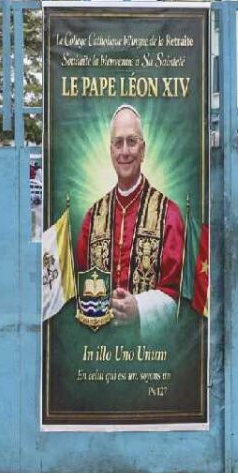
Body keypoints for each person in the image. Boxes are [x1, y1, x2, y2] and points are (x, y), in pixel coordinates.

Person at [75, 104, 184, 334]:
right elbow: (77, 284)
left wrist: (140, 309)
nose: (124, 151)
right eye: (118, 142)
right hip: (99, 351)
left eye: (132, 142)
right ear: (111, 151)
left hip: (150, 356)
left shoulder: (170, 215)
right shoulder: (92, 217)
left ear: (143, 150)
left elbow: (178, 295)